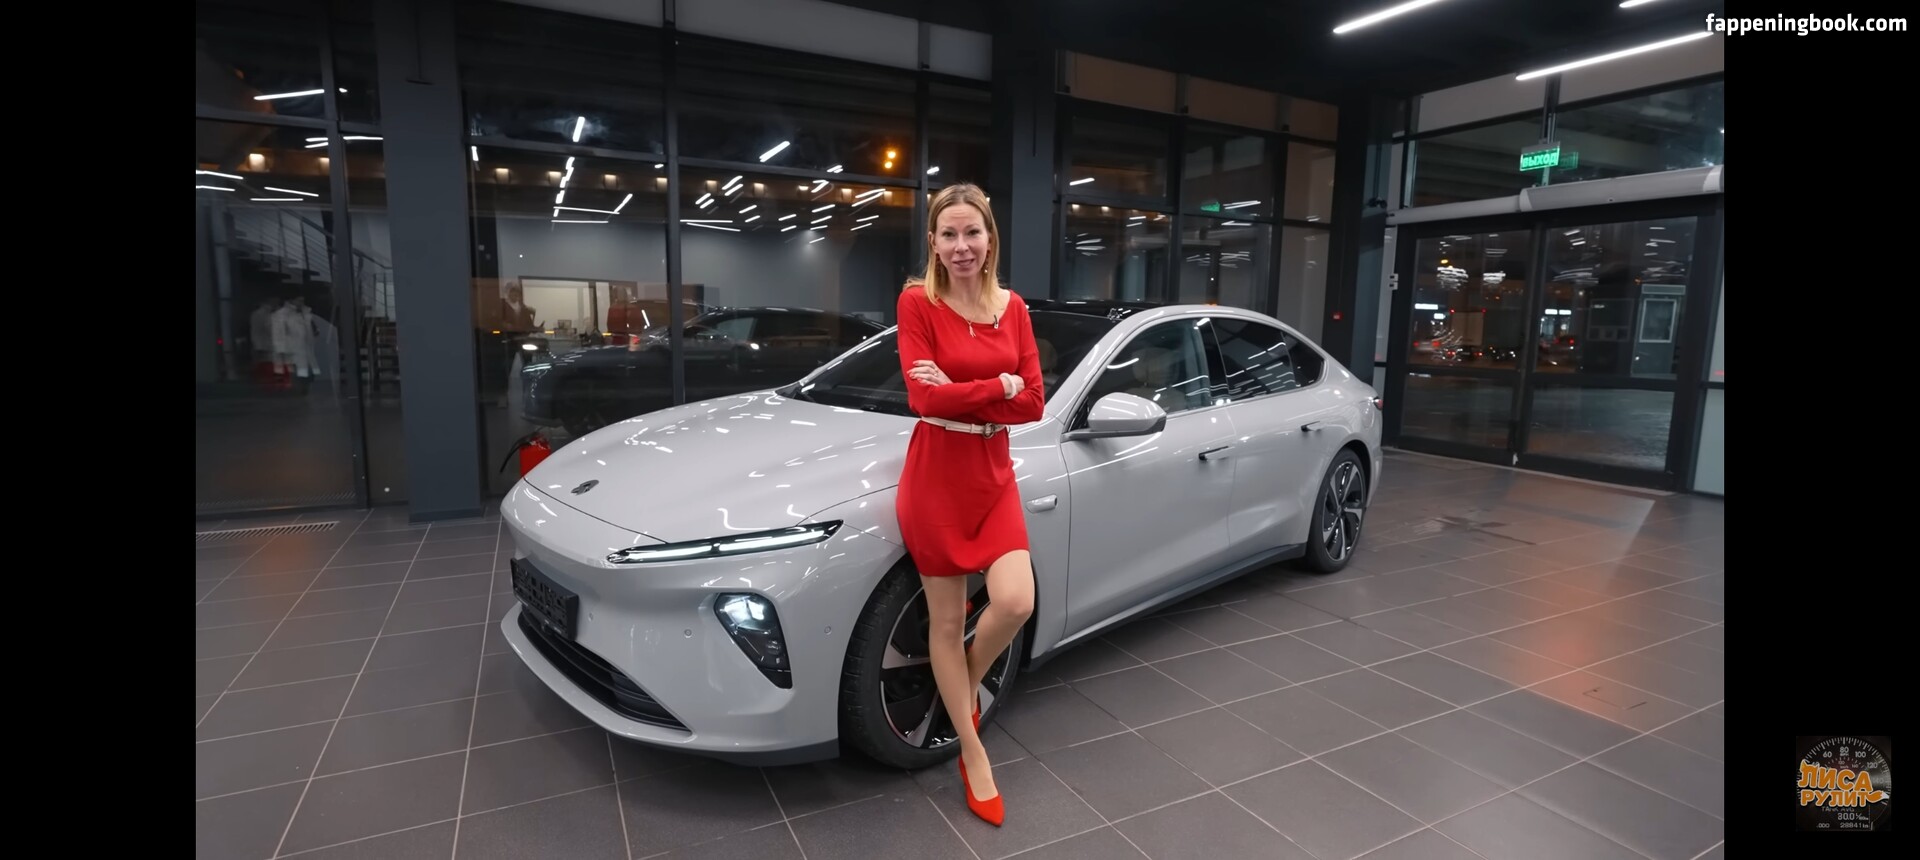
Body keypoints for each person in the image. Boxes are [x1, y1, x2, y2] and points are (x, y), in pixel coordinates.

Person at [893, 183, 1042, 828]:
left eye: (972, 233)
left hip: (993, 473)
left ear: (989, 239)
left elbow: (1033, 402)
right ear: (933, 242)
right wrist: (998, 384)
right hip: (936, 477)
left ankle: (960, 686)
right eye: (949, 234)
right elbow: (923, 400)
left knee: (1015, 601)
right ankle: (973, 752)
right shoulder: (917, 303)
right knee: (947, 623)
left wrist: (964, 386)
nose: (961, 246)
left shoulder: (1014, 308)